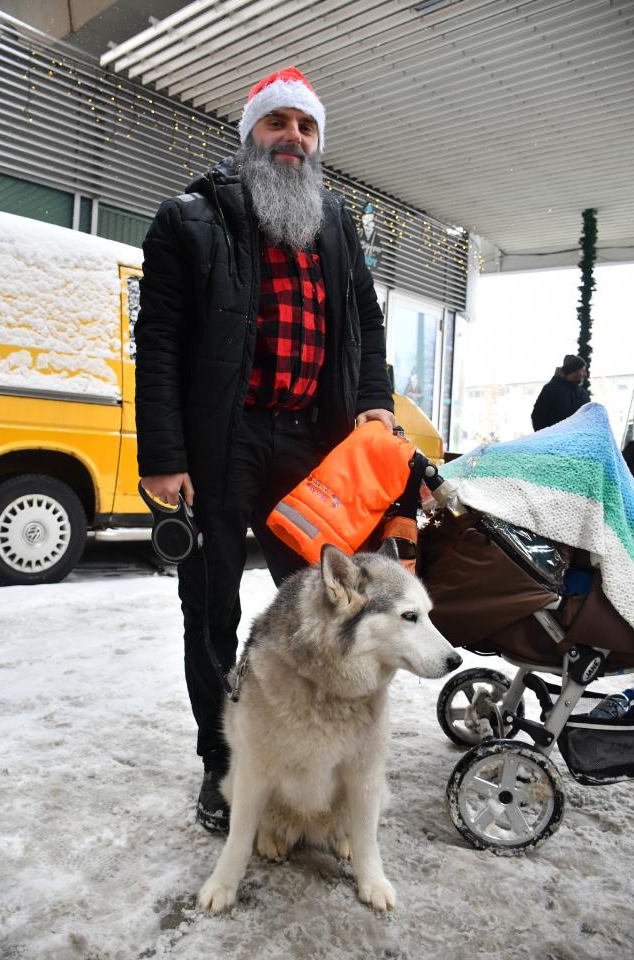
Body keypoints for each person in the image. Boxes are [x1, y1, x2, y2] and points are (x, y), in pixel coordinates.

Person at [134, 67, 395, 832]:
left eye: (306, 127)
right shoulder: (190, 217)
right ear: (250, 133)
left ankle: (327, 761)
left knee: (335, 606)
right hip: (222, 439)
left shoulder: (339, 223)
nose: (294, 138)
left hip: (314, 444)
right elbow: (158, 344)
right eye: (278, 123)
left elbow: (367, 326)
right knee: (211, 607)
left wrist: (375, 401)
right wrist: (163, 451)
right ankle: (226, 766)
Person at [531, 354, 590, 431]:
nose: (585, 374)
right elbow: (537, 416)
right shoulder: (551, 389)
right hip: (555, 440)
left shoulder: (582, 393)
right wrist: (546, 438)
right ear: (573, 370)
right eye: (582, 370)